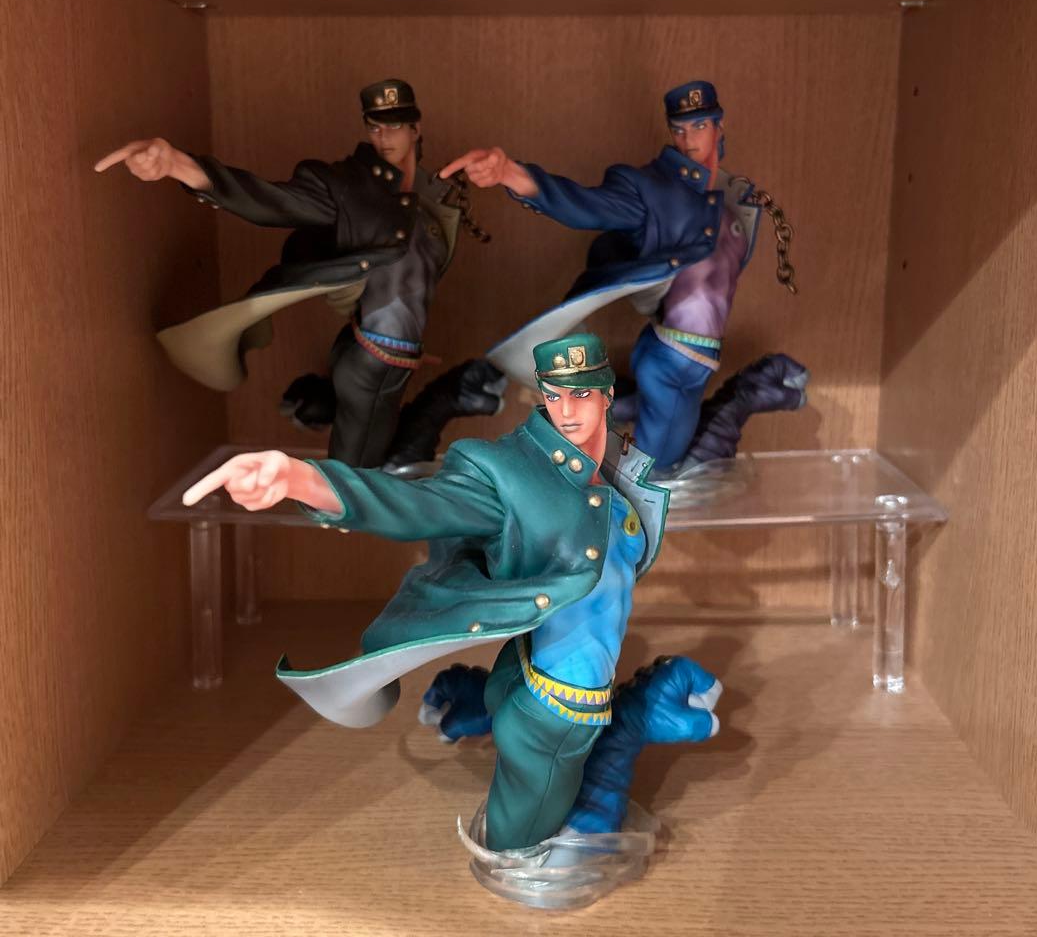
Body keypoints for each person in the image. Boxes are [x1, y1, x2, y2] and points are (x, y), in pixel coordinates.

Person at [182, 333, 687, 852]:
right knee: (521, 839)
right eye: (554, 395)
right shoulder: (506, 472)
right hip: (561, 701)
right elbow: (417, 504)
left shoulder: (618, 468)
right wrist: (301, 479)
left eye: (580, 394)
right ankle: (525, 855)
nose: (566, 411)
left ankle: (483, 709)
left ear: (606, 394)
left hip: (532, 662)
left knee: (534, 749)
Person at [96, 79, 485, 467]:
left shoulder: (432, 197)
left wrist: (411, 340)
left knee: (378, 461)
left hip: (391, 354)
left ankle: (318, 403)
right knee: (354, 479)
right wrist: (180, 165)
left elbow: (414, 279)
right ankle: (324, 437)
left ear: (416, 128)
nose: (384, 137)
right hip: (372, 361)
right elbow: (272, 201)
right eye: (374, 126)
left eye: (395, 125)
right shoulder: (349, 186)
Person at [439, 80, 799, 474]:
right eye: (679, 129)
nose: (688, 139)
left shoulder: (731, 201)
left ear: (719, 126)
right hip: (673, 358)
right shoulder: (653, 190)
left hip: (690, 356)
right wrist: (511, 173)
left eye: (699, 126)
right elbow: (587, 206)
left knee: (666, 445)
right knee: (658, 470)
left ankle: (606, 406)